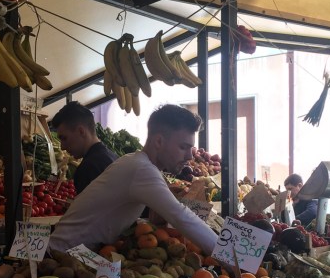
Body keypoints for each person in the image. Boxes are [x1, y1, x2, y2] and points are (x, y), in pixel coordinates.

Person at [49, 105, 218, 254]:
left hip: (76, 254)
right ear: (159, 141)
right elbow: (181, 216)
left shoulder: (137, 163)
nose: (189, 156)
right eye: (183, 147)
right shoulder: (142, 169)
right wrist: (231, 256)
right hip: (61, 256)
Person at [49, 101, 117, 194]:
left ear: (81, 131)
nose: (62, 147)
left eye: (64, 138)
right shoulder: (113, 157)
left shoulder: (87, 169)